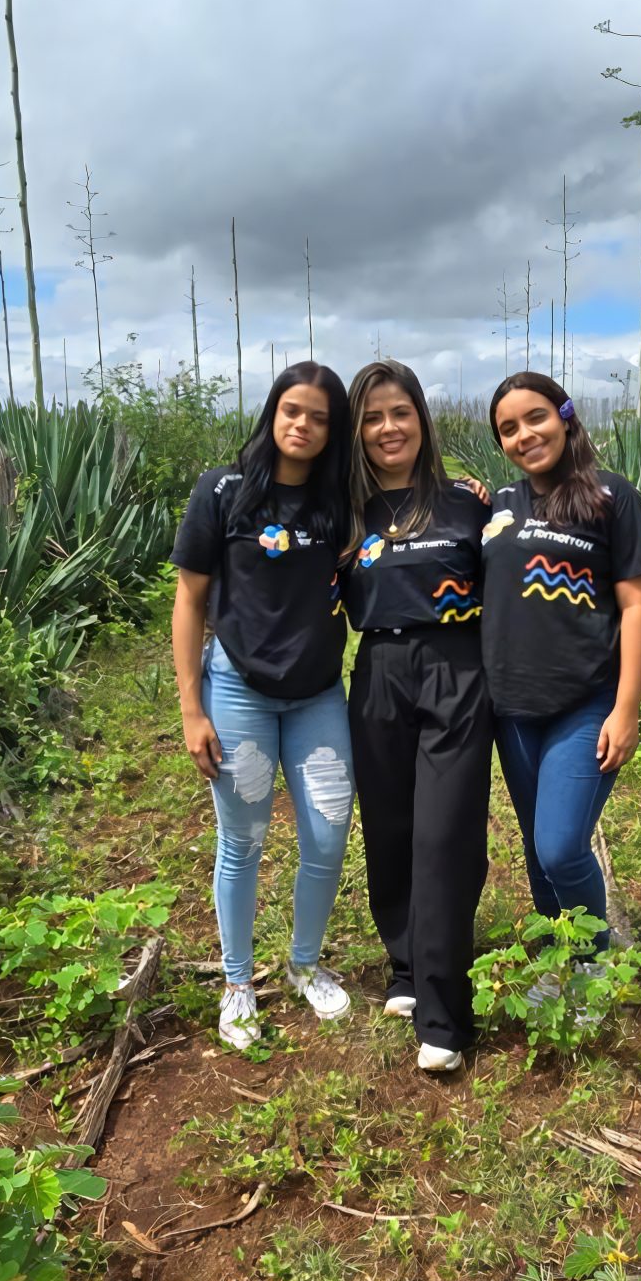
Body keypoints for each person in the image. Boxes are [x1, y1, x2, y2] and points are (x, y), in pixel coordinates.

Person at [170, 362, 358, 1050]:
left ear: (331, 430)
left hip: (317, 697)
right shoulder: (223, 492)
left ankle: (305, 964)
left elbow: (411, 503)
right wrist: (193, 709)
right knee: (242, 843)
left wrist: (467, 488)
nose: (302, 425)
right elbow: (190, 601)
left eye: (318, 417)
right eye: (292, 410)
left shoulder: (342, 502)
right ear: (272, 413)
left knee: (329, 837)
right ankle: (238, 982)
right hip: (239, 693)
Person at [340, 360, 493, 1073]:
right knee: (391, 828)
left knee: (445, 834)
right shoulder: (345, 510)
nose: (387, 428)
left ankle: (444, 1015)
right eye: (371, 417)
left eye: (399, 412)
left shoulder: (466, 502)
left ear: (422, 419)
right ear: (357, 431)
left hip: (456, 667)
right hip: (376, 671)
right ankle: (405, 962)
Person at [479, 372, 641, 969]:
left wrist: (626, 708)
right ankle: (560, 961)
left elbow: (636, 606)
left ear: (565, 415)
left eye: (535, 418)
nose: (524, 435)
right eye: (508, 429)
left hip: (586, 704)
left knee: (560, 847)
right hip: (512, 707)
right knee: (536, 847)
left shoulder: (612, 497)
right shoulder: (499, 506)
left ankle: (590, 965)